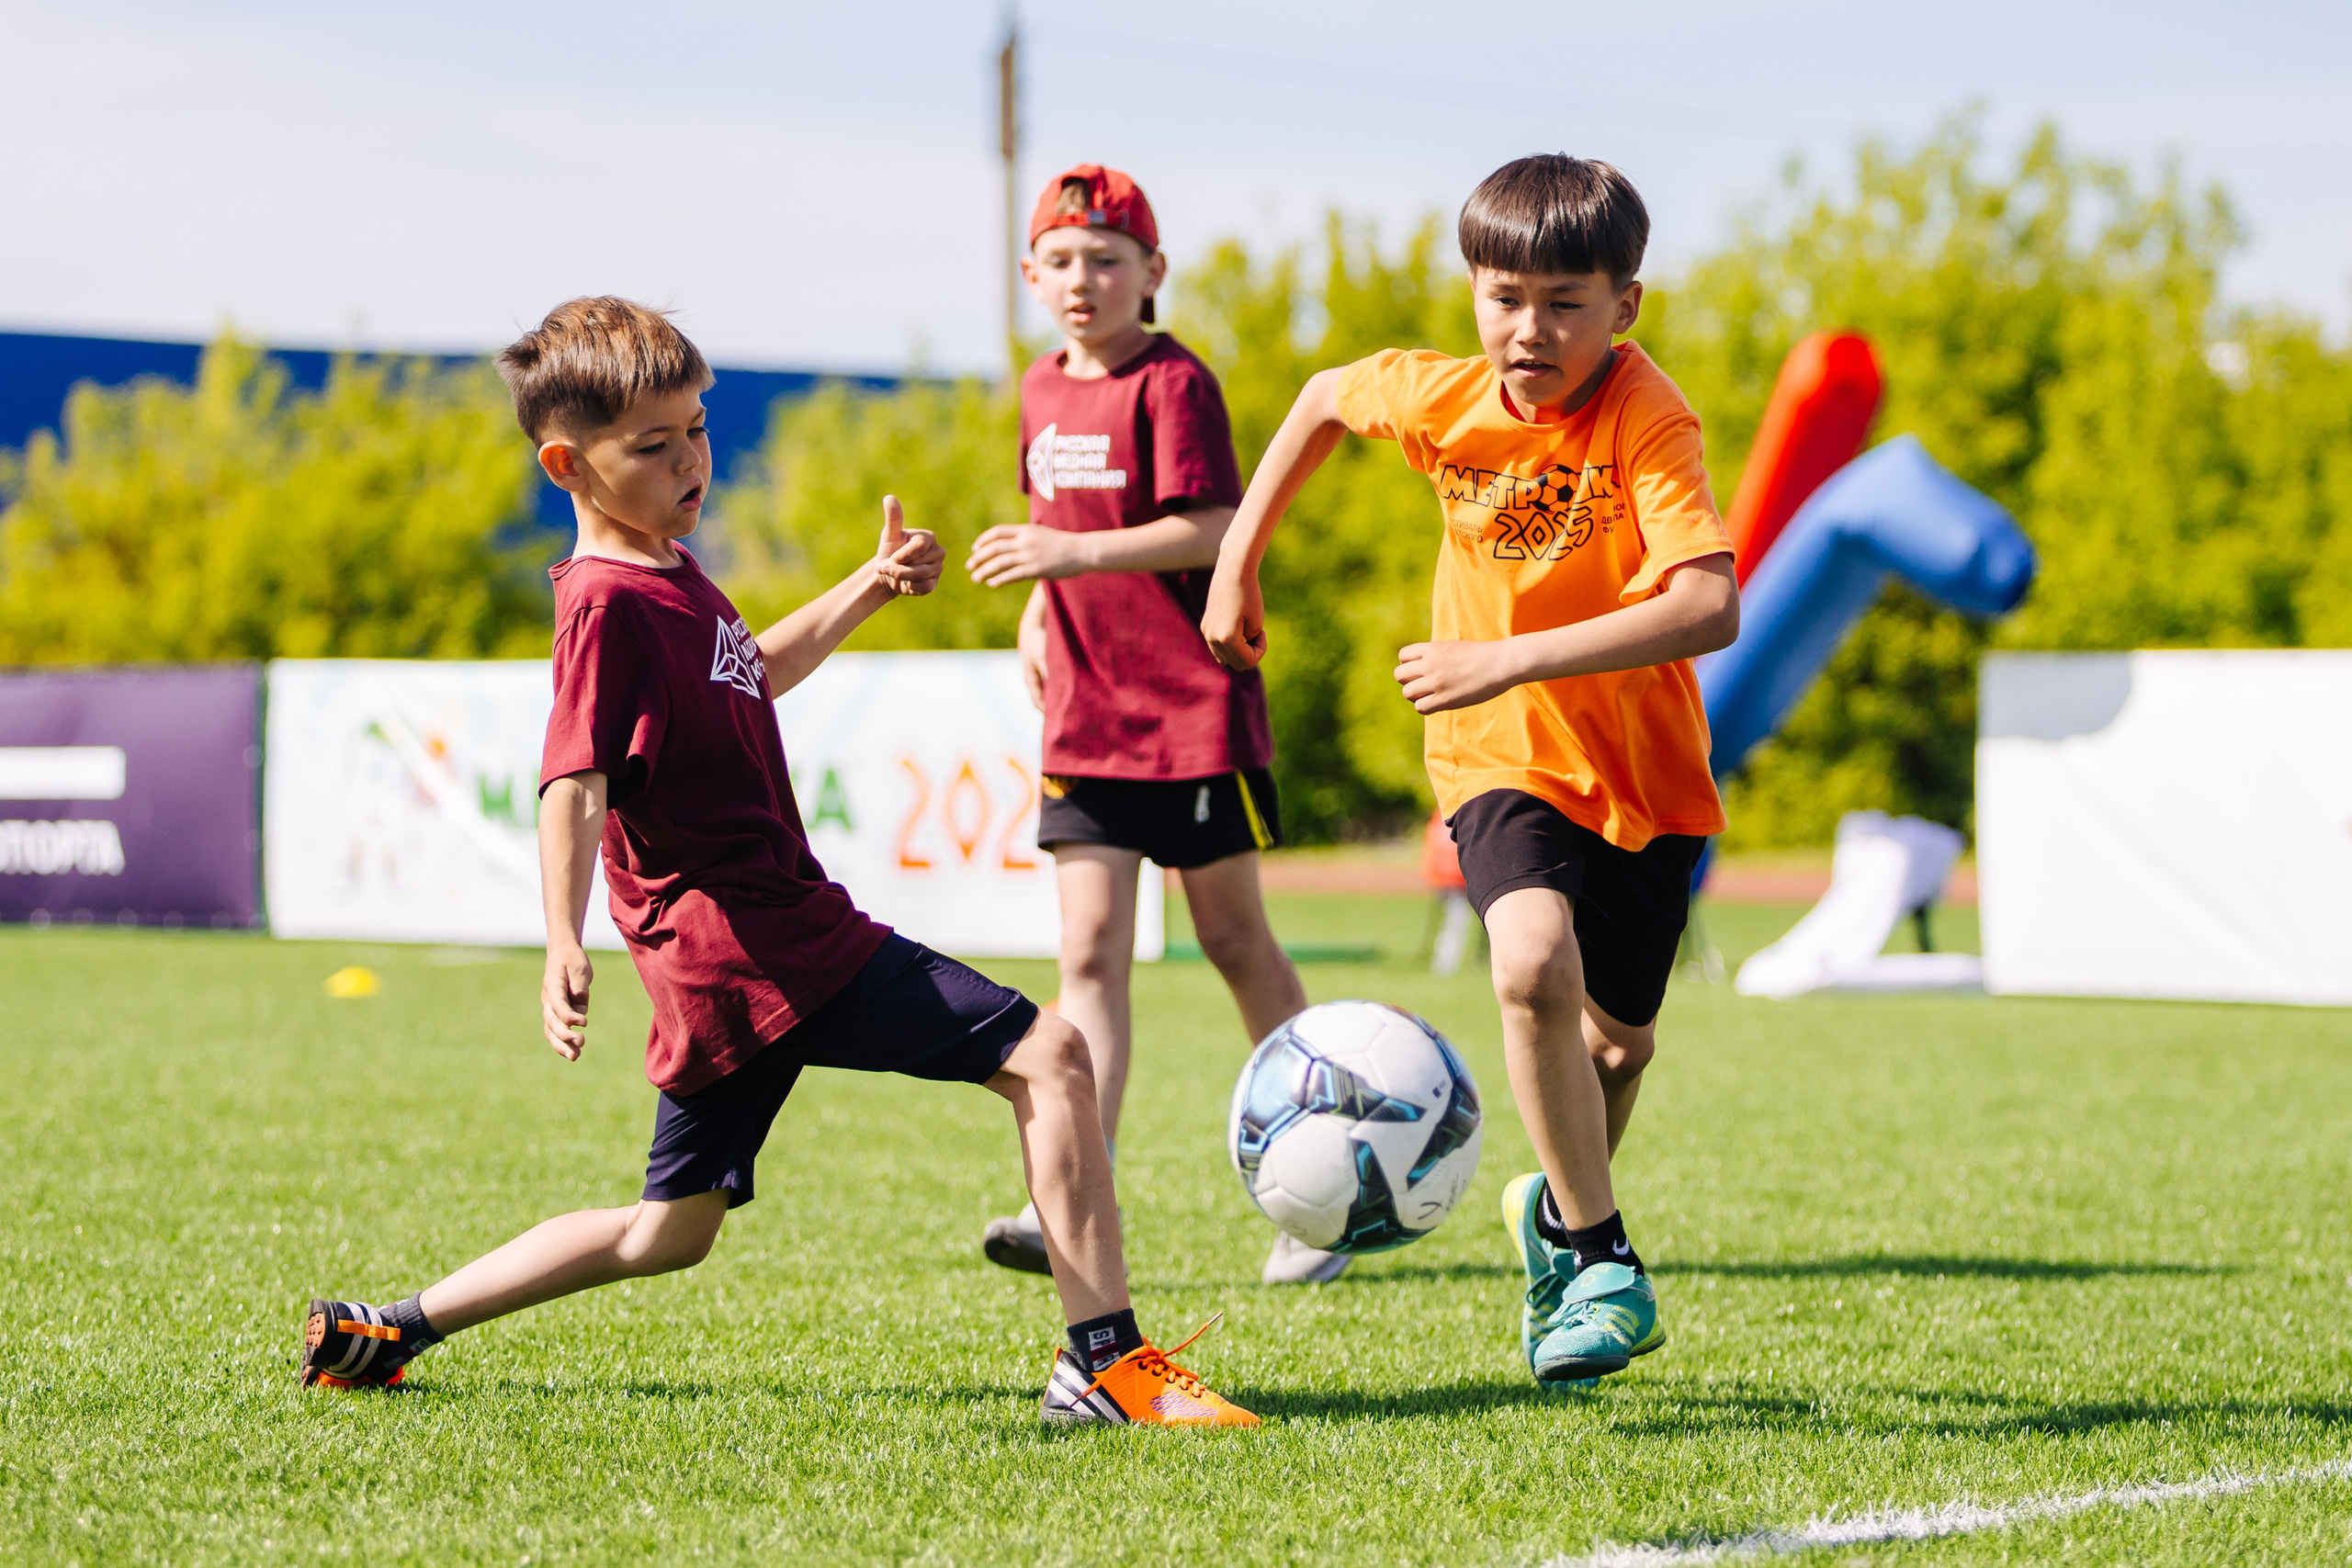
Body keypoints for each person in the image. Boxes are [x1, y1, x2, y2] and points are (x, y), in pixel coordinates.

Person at [298, 297, 1255, 1427]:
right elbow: (573, 782)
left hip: (727, 962)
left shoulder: (666, 571)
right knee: (1050, 1057)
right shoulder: (605, 605)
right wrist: (560, 937)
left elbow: (750, 668)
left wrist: (867, 584)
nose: (690, 461)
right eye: (653, 446)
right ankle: (1104, 1365)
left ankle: (387, 1329)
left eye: (698, 430)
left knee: (666, 1234)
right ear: (567, 465)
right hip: (761, 940)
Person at [1202, 157, 1741, 1385]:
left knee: (1619, 1051)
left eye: (1563, 302)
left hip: (1644, 774)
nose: (1527, 330)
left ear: (1624, 307)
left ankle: (1552, 1212)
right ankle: (1599, 1257)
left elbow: (1708, 606)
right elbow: (1324, 399)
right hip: (1495, 750)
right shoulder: (1444, 397)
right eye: (1503, 298)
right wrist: (1239, 559)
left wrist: (1507, 653)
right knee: (1531, 960)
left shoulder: (1647, 415)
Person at [966, 166, 1338, 1286]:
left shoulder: (1174, 381)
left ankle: (1324, 1185)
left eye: (1106, 259)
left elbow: (1218, 525)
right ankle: (1072, 1190)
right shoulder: (1039, 384)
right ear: (1030, 274)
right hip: (1085, 719)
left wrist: (1070, 556)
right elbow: (1052, 522)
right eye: (1060, 261)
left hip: (1190, 714)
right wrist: (1041, 604)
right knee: (1086, 955)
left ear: (1151, 272)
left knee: (1235, 945)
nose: (1082, 280)